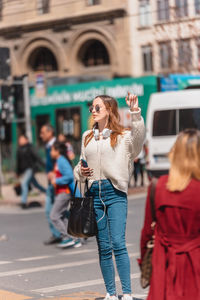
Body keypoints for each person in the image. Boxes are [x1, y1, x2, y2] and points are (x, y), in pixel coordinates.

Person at [74, 94, 145, 300]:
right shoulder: (87, 136)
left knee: (118, 244)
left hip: (115, 193)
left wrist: (135, 113)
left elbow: (139, 142)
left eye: (97, 107)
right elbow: (79, 166)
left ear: (109, 110)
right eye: (92, 108)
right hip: (94, 194)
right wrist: (81, 171)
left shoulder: (122, 136)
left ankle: (127, 293)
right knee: (103, 247)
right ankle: (111, 294)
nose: (93, 111)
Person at [140, 128, 200, 300]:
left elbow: (146, 234)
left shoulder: (157, 187)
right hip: (195, 264)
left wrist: (147, 263)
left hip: (164, 265)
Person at [49, 141, 82, 248]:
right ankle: (75, 238)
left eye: (52, 150)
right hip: (61, 192)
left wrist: (56, 180)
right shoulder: (59, 160)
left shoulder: (61, 161)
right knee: (62, 216)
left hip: (64, 192)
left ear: (57, 151)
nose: (50, 152)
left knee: (54, 216)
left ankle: (67, 237)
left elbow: (68, 176)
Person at [40, 124, 61, 245]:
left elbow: (62, 161)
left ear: (50, 133)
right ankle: (58, 234)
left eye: (43, 132)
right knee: (57, 210)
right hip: (51, 183)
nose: (41, 135)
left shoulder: (56, 145)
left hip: (57, 182)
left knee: (55, 210)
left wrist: (54, 173)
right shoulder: (48, 146)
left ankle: (78, 228)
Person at [16, 134, 46, 209]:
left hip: (30, 169)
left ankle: (23, 202)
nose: (20, 141)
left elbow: (37, 157)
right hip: (24, 170)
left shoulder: (30, 148)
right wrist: (18, 172)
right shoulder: (19, 149)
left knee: (24, 183)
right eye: (19, 140)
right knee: (36, 185)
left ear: (26, 140)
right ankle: (50, 192)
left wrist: (44, 166)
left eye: (22, 139)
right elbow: (18, 162)